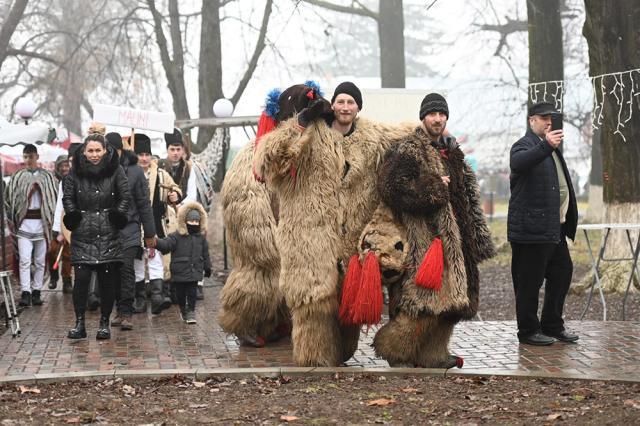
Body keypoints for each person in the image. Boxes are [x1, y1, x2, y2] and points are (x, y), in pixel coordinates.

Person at [371, 93, 495, 368]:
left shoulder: (451, 150)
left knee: (452, 304)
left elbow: (466, 195)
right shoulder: (408, 148)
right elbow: (392, 187)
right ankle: (396, 351)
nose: (437, 119)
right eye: (432, 114)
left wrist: (474, 236)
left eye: (441, 114)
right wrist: (433, 185)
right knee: (421, 302)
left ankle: (434, 353)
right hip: (423, 238)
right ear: (423, 117)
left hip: (456, 238)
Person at [508, 101, 578, 346]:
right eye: (543, 118)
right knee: (529, 281)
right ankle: (527, 330)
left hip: (552, 228)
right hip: (530, 230)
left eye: (552, 118)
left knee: (562, 273)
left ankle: (552, 325)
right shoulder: (524, 145)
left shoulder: (552, 148)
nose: (549, 122)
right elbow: (519, 163)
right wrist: (546, 145)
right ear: (531, 121)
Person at [63, 133, 130, 340]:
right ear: (84, 151)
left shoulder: (116, 170)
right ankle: (80, 323)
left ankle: (104, 323)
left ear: (105, 150)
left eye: (97, 150)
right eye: (90, 150)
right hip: (83, 232)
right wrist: (74, 215)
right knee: (81, 280)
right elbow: (68, 196)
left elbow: (125, 196)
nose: (94, 155)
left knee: (106, 280)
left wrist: (117, 215)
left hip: (109, 232)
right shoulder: (75, 172)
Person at [105, 132, 156, 331]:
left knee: (126, 269)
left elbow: (144, 204)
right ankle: (119, 309)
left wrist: (150, 233)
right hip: (109, 229)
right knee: (113, 271)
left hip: (130, 227)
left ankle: (127, 312)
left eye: (113, 150)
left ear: (120, 149)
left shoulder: (135, 171)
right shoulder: (102, 170)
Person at [132, 133, 182, 314]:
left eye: (147, 154)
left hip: (155, 224)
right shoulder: (128, 173)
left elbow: (175, 188)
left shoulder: (161, 174)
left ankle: (157, 297)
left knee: (155, 260)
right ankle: (139, 299)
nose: (144, 158)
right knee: (137, 262)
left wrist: (175, 195)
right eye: (140, 154)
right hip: (135, 226)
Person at [4, 144, 58, 307]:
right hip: (24, 225)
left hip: (42, 225)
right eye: (25, 157)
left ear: (37, 157)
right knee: (25, 260)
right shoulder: (17, 177)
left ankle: (36, 291)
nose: (28, 160)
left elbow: (53, 199)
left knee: (40, 260)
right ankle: (26, 292)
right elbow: (9, 199)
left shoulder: (48, 177)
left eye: (31, 156)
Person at [159, 129, 204, 300]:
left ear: (182, 150)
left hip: (184, 213)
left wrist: (179, 204)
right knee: (167, 250)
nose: (176, 153)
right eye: (172, 149)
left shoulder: (189, 168)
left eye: (178, 149)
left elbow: (192, 193)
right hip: (164, 215)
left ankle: (194, 283)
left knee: (188, 249)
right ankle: (166, 284)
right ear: (167, 150)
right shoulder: (160, 167)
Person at [155, 202, 211, 324]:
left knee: (192, 292)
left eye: (197, 222)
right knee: (180, 294)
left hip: (194, 271)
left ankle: (190, 311)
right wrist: (155, 242)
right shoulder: (177, 236)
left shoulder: (201, 238)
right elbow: (166, 244)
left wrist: (208, 267)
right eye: (192, 221)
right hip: (179, 270)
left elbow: (205, 253)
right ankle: (183, 310)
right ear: (185, 221)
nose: (194, 224)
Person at [48, 154, 72, 292]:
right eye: (61, 166)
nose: (64, 168)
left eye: (66, 165)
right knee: (52, 251)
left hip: (68, 220)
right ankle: (53, 275)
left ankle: (67, 280)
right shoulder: (51, 180)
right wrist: (56, 228)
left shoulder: (71, 180)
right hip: (53, 220)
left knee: (67, 253)